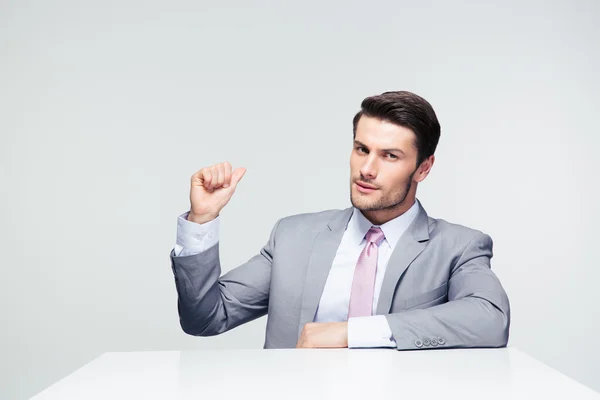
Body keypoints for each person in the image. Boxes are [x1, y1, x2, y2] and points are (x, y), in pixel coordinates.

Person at [169, 91, 510, 350]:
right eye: (362, 149)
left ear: (423, 167)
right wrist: (203, 218)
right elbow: (205, 318)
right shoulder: (293, 237)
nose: (367, 169)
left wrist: (352, 333)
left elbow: (490, 320)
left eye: (390, 156)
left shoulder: (458, 247)